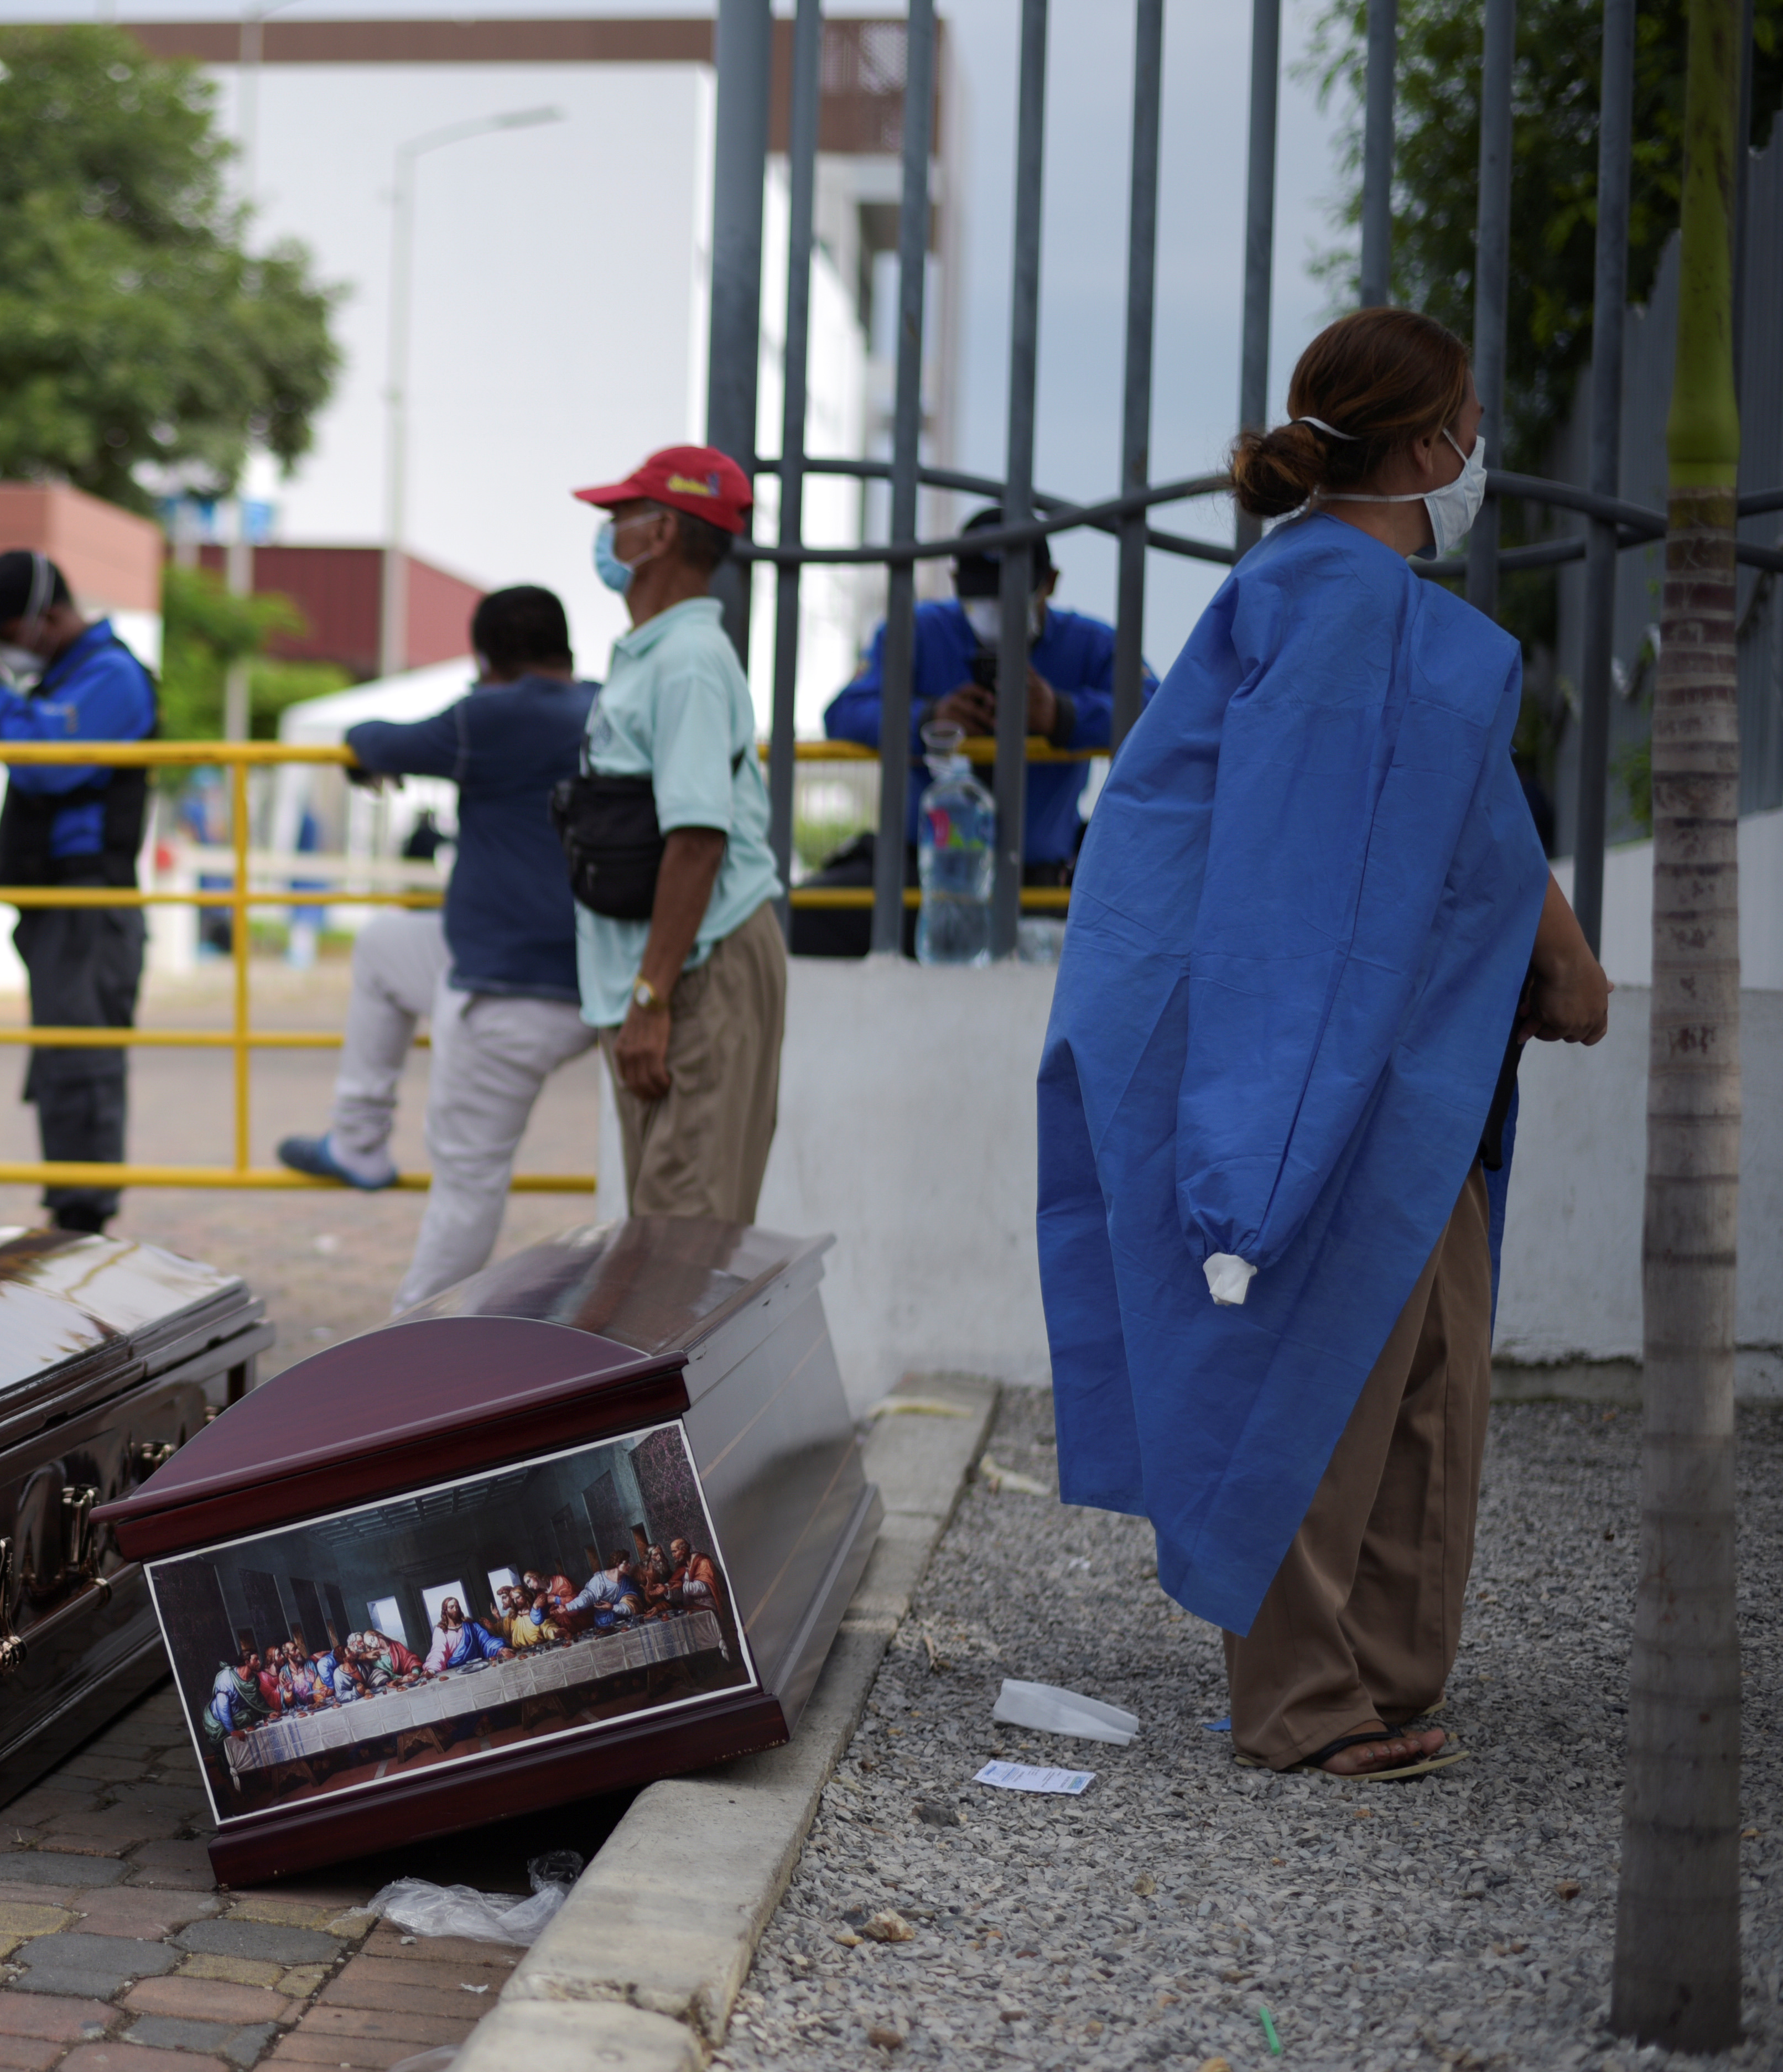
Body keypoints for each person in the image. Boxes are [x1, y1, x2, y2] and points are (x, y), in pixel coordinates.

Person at [1039, 307, 1613, 1784]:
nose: (1479, 447)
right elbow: (1304, 884)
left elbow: (1466, 820)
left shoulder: (1352, 604)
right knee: (1330, 1366)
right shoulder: (1345, 608)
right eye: (1469, 423)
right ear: (1426, 445)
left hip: (1405, 1059)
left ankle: (1378, 1676)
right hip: (1331, 1064)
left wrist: (1547, 952)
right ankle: (1304, 1700)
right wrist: (1265, 1121)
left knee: (1427, 1369)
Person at [276, 586, 601, 1312]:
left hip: (509, 989)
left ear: (486, 660)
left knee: (467, 1187)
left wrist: (365, 759)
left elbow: (376, 739)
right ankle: (357, 1139)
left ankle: (414, 1351)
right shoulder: (607, 706)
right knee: (385, 944)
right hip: (595, 976)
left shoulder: (487, 716)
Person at [568, 447, 792, 1221]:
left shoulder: (687, 662)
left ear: (660, 532)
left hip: (695, 970)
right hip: (672, 971)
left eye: (617, 518)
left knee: (681, 1243)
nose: (605, 533)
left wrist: (651, 999)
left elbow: (698, 839)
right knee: (664, 1231)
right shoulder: (657, 654)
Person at [0, 550, 159, 1235]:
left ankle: (83, 1223)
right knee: (66, 1061)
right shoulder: (72, 677)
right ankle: (73, 1214)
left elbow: (48, 765)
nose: (4, 648)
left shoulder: (113, 676)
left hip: (89, 901)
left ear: (46, 617)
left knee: (82, 1061)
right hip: (62, 906)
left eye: (7, 631)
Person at [820, 507, 1141, 900]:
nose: (994, 609)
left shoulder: (1091, 645)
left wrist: (1063, 715)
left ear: (1050, 582)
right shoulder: (915, 632)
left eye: (1010, 596)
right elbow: (843, 714)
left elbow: (1162, 714)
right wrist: (928, 718)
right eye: (981, 596)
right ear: (956, 584)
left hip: (1038, 882)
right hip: (922, 874)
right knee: (806, 916)